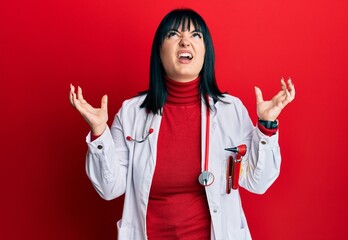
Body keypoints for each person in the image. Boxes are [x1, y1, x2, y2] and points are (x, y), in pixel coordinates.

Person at [69, 8, 295, 240]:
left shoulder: (230, 110)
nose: (185, 41)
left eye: (196, 35)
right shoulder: (131, 113)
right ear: (159, 51)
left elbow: (257, 182)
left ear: (206, 51)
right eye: (173, 35)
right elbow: (109, 188)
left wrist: (267, 125)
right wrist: (99, 133)